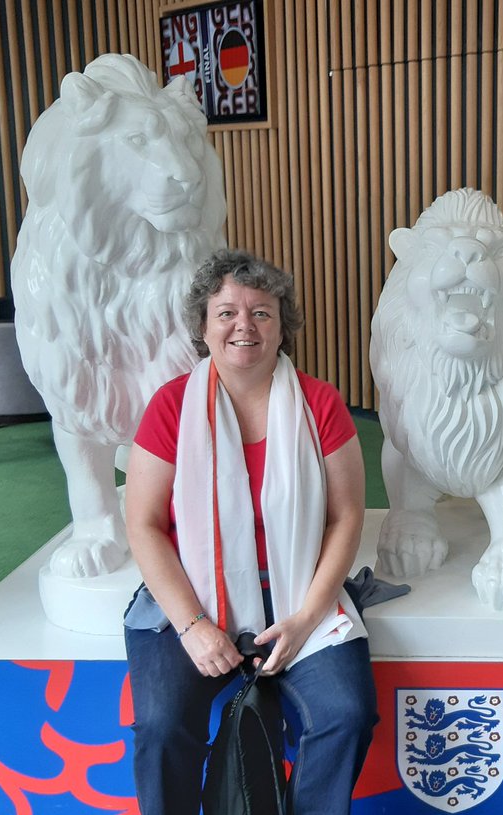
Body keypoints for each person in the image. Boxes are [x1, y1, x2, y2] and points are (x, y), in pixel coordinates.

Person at [122, 248, 377, 815]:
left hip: (297, 590)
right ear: (203, 326)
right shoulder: (169, 407)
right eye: (227, 312)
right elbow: (141, 523)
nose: (244, 325)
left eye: (262, 312)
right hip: (190, 594)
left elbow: (347, 516)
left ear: (283, 327)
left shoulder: (320, 402)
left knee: (346, 715)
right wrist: (192, 627)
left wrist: (308, 616)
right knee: (162, 726)